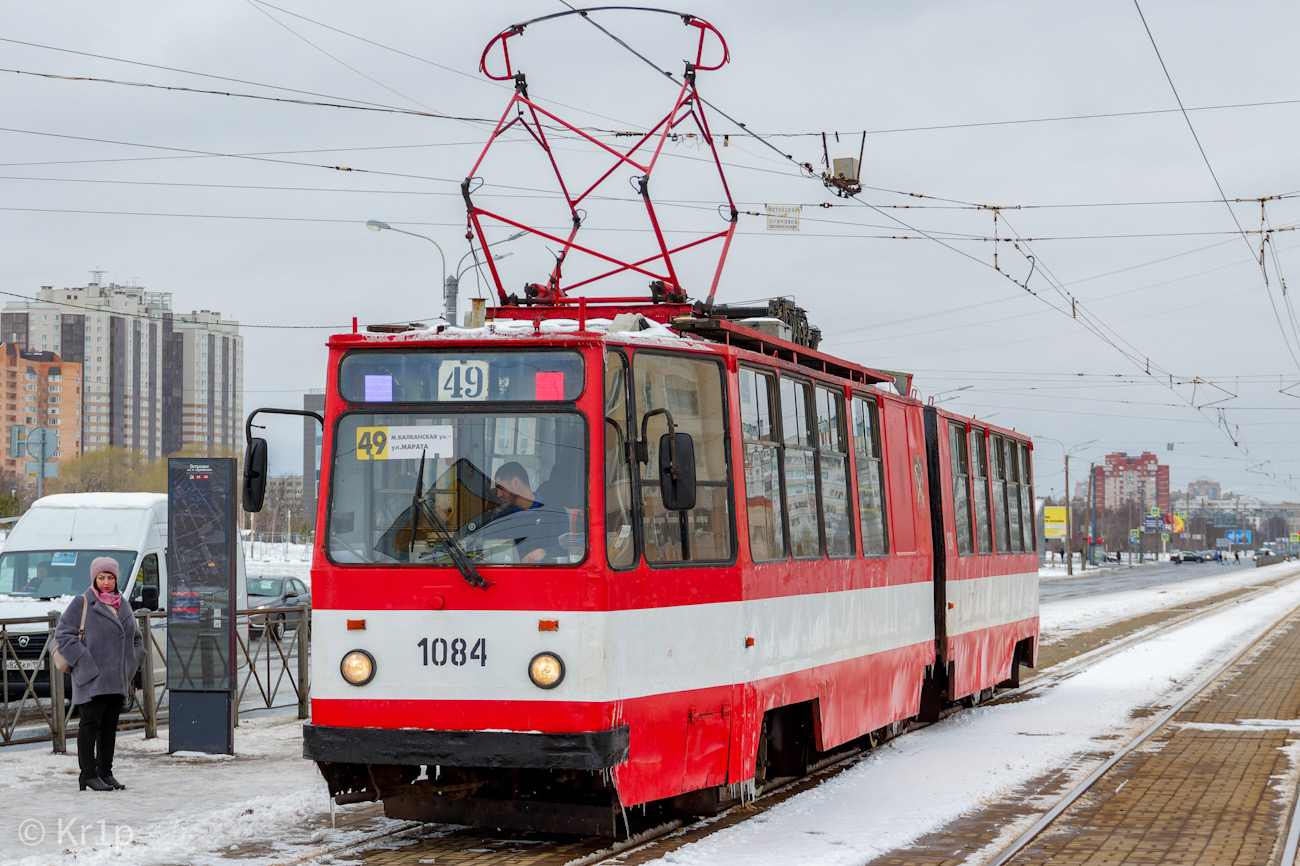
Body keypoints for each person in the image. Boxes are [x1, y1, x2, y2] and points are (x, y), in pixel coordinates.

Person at [54, 557, 145, 792]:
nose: (106, 582)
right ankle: (88, 774)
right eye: (101, 577)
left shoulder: (123, 605)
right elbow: (63, 635)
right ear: (94, 579)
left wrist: (132, 662)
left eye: (110, 577)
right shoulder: (82, 602)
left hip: (117, 679)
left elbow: (137, 639)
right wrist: (85, 663)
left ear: (116, 580)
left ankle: (106, 772)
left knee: (109, 727)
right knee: (89, 725)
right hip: (92, 678)